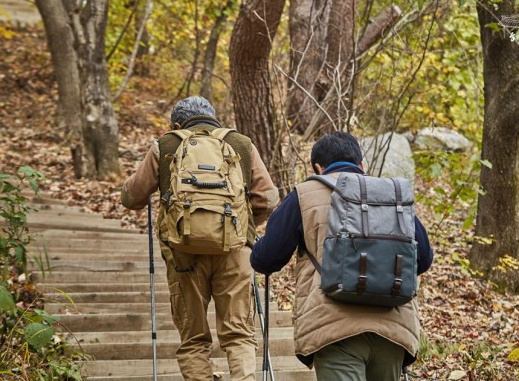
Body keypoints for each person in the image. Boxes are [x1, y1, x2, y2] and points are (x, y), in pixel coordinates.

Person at [250, 131, 433, 381]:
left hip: (335, 330)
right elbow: (424, 259)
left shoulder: (304, 195)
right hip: (393, 331)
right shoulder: (392, 195)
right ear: (361, 164)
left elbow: (266, 259)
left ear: (318, 166)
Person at [121, 96, 279, 381]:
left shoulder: (166, 144)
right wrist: (239, 226)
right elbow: (267, 199)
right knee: (240, 335)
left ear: (178, 124)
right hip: (234, 252)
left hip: (184, 255)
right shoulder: (242, 144)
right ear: (214, 118)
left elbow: (133, 197)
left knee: (193, 338)